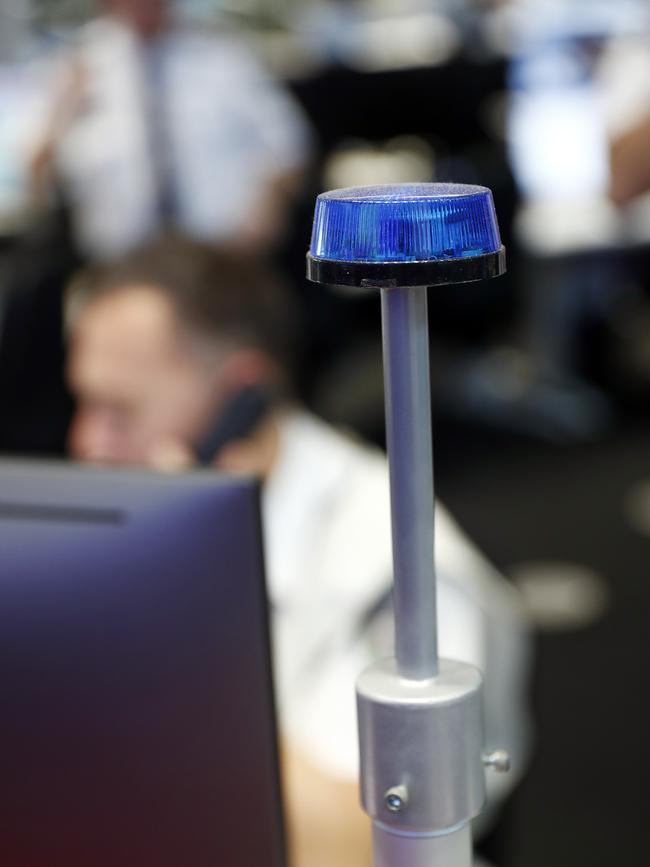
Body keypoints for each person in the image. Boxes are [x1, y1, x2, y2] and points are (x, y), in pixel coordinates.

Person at [65, 237, 530, 867]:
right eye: (83, 403)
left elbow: (349, 844)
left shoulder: (393, 569)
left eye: (120, 411)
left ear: (242, 396)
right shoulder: (118, 529)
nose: (87, 442)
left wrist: (180, 616)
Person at [29, 0, 311, 260]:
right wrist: (62, 111)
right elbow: (39, 172)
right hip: (121, 265)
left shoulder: (223, 58)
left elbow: (290, 147)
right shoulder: (78, 65)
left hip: (224, 257)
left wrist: (264, 215)